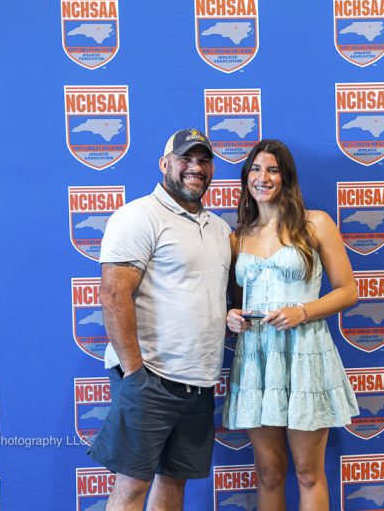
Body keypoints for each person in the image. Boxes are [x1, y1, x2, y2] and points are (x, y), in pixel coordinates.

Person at [89, 128, 231, 511]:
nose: (195, 167)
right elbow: (113, 294)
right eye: (186, 158)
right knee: (132, 486)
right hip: (150, 376)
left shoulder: (220, 229)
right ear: (164, 164)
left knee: (173, 483)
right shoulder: (138, 216)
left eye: (203, 160)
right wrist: (135, 373)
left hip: (199, 383)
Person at [224, 139, 360, 511]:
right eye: (255, 169)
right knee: (269, 472)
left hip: (305, 352)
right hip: (256, 358)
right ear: (246, 177)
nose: (263, 178)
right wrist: (231, 317)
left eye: (272, 170)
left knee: (307, 472)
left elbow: (348, 291)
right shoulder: (237, 237)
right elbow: (235, 302)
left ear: (286, 177)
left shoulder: (315, 223)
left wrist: (303, 311)